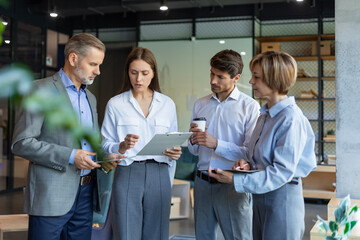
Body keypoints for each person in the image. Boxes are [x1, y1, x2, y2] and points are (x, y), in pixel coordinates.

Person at [11, 33, 121, 240]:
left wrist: (108, 155)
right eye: (93, 64)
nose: (98, 71)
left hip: (87, 195)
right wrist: (71, 156)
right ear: (73, 59)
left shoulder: (91, 97)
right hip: (50, 197)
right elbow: (21, 143)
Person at [209, 51, 317, 240]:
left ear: (274, 80)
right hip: (261, 197)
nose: (250, 82)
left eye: (256, 77)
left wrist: (235, 180)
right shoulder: (265, 116)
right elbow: (260, 158)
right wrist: (247, 165)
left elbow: (282, 172)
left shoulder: (290, 119)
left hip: (281, 200)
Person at [101, 46, 182, 240]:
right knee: (126, 233)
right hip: (128, 173)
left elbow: (174, 140)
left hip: (160, 173)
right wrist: (120, 146)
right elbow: (104, 145)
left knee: (157, 234)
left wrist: (175, 153)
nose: (139, 79)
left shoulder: (167, 104)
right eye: (134, 73)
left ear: (153, 73)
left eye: (145, 73)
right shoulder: (115, 104)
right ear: (127, 73)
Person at [188, 49, 260, 240]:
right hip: (202, 184)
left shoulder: (250, 106)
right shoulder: (200, 104)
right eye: (212, 73)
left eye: (220, 77)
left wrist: (217, 144)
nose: (213, 81)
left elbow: (250, 153)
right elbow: (194, 151)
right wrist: (192, 139)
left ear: (236, 78)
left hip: (232, 184)